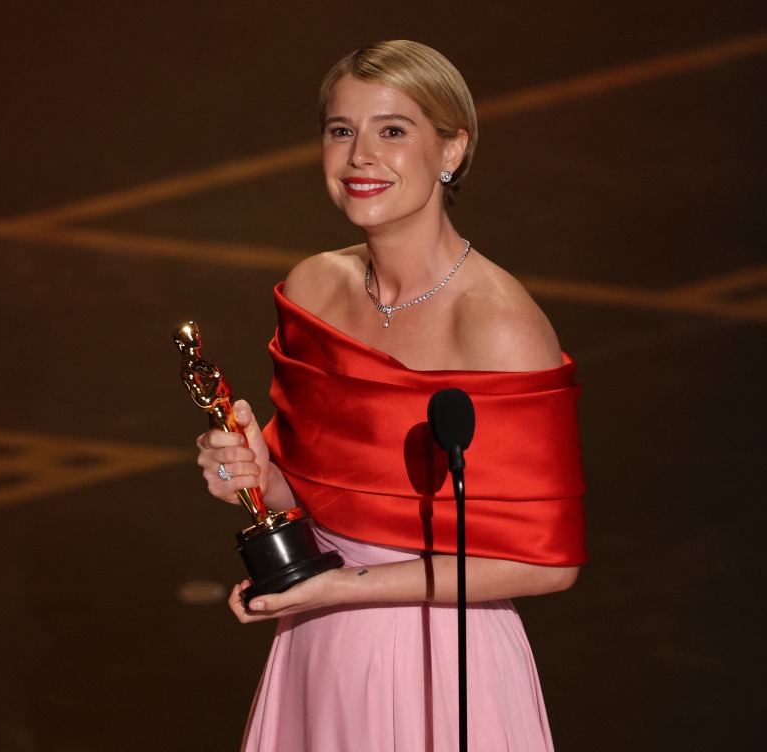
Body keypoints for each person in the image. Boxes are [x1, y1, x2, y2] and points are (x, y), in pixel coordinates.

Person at [195, 40, 587, 752]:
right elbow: (315, 494)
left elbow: (547, 563)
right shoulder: (314, 288)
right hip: (318, 643)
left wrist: (342, 588)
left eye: (393, 130)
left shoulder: (496, 323)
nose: (358, 157)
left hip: (441, 654)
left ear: (451, 151)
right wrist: (256, 476)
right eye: (340, 131)